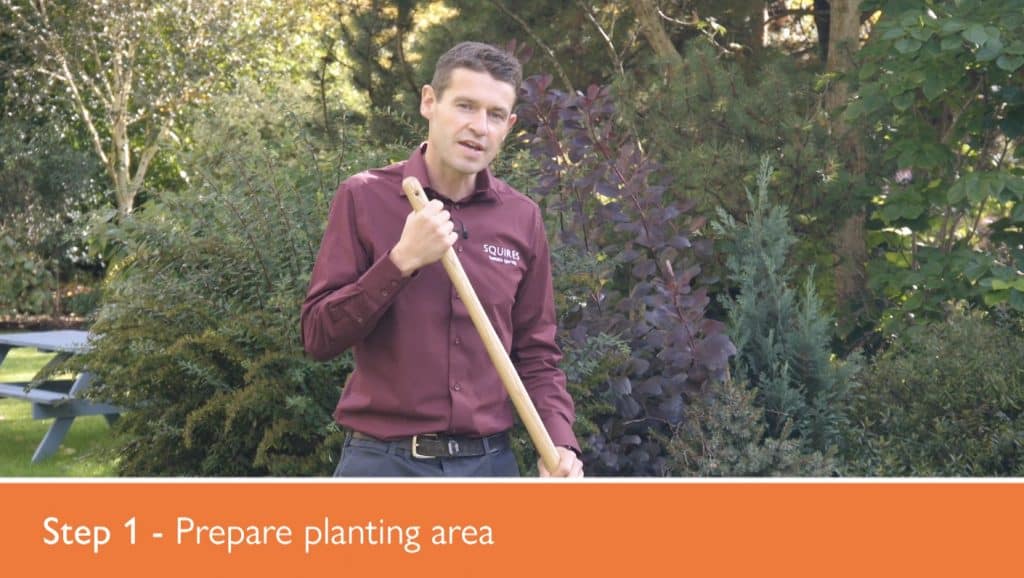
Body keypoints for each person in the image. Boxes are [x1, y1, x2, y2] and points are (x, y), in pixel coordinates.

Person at [301, 41, 583, 478]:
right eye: (465, 106)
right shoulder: (365, 196)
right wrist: (401, 261)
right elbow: (318, 336)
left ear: (508, 125)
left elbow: (537, 353)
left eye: (494, 115)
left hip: (490, 468)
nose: (479, 127)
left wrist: (560, 443)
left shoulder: (521, 216)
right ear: (429, 102)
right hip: (381, 466)